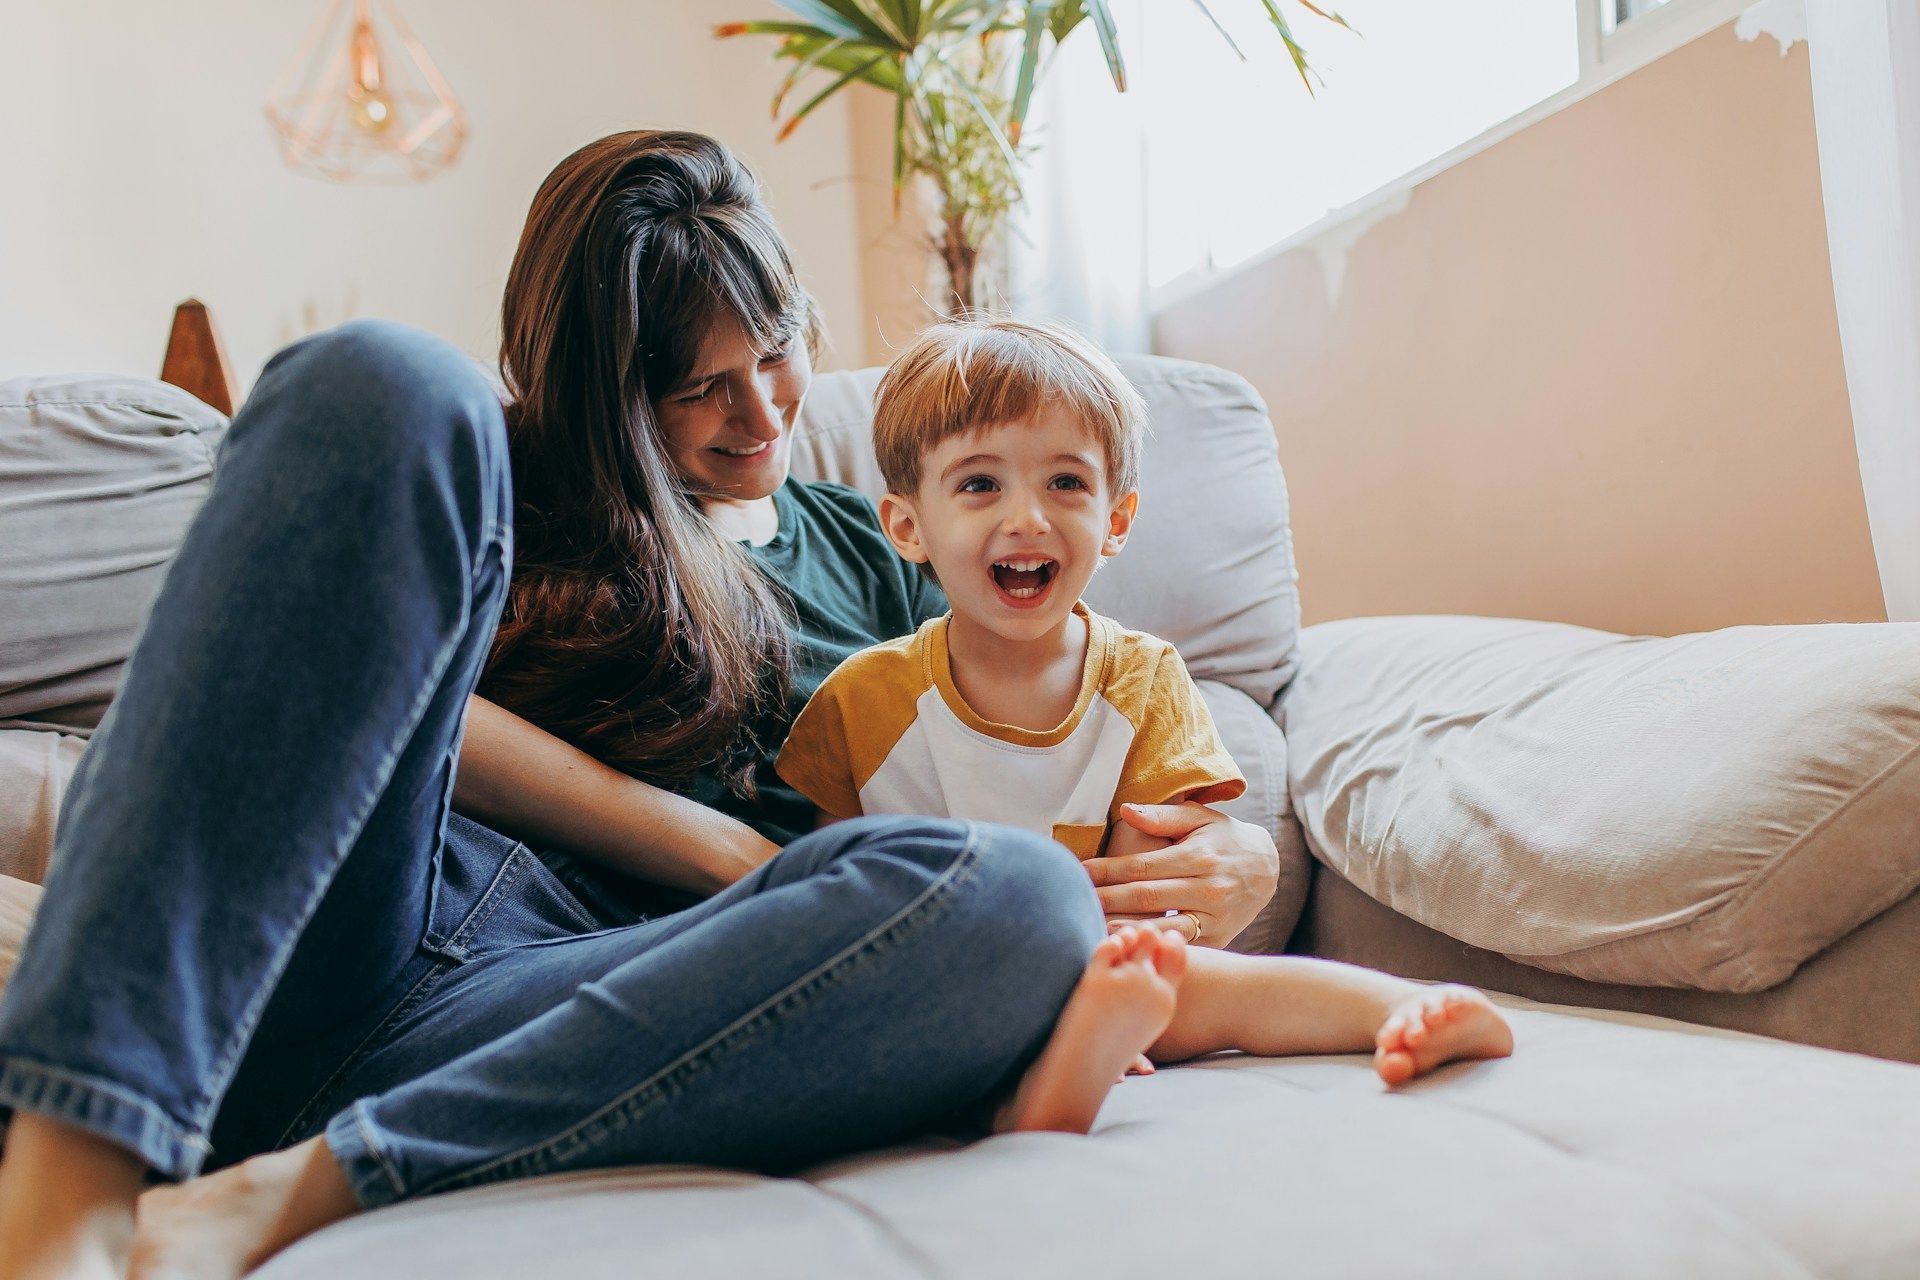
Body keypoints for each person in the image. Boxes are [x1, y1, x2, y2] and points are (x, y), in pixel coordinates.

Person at [0, 131, 1280, 1280]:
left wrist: (1239, 853)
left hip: (641, 1005)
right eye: (698, 386)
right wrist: (713, 843)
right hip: (374, 923)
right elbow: (325, 700)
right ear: (612, 390)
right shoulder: (496, 483)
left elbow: (1058, 749)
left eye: (777, 352)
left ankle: (304, 1178)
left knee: (1022, 897)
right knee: (381, 374)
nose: (763, 409)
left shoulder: (898, 552)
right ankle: (70, 1180)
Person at [776, 317, 1515, 1132]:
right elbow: (829, 882)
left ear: (1117, 520)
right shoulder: (861, 698)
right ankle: (1049, 1077)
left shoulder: (1143, 677)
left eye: (1066, 483)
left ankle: (1406, 1007)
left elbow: (1153, 880)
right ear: (908, 526)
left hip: (1104, 965)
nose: (1027, 517)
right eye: (980, 484)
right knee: (884, 1016)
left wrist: (1114, 971)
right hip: (940, 983)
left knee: (1200, 985)